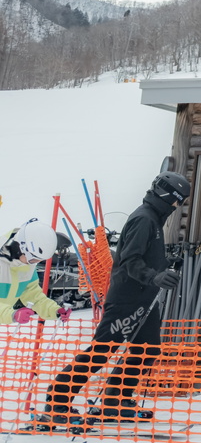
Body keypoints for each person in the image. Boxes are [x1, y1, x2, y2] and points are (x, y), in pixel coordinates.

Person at [38, 171, 190, 426]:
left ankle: (115, 401)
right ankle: (57, 402)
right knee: (102, 350)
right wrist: (154, 277)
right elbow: (129, 260)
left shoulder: (152, 218)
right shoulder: (144, 219)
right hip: (127, 298)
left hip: (144, 298)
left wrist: (164, 265)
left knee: (147, 349)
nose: (178, 207)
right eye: (178, 201)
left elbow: (142, 255)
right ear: (167, 197)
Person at [1, 220, 71, 325]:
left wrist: (54, 310)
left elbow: (33, 295)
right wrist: (12, 314)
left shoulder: (24, 264)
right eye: (33, 260)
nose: (32, 264)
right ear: (21, 248)